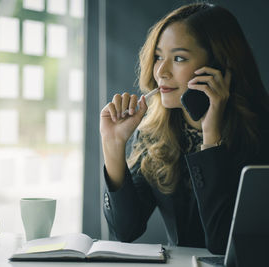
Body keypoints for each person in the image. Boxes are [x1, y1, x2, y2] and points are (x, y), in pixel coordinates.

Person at [100, 2, 269, 255]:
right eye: (158, 56)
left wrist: (211, 137)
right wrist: (113, 144)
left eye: (178, 58)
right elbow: (125, 232)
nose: (161, 71)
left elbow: (223, 245)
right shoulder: (154, 132)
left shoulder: (260, 132)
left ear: (218, 67)